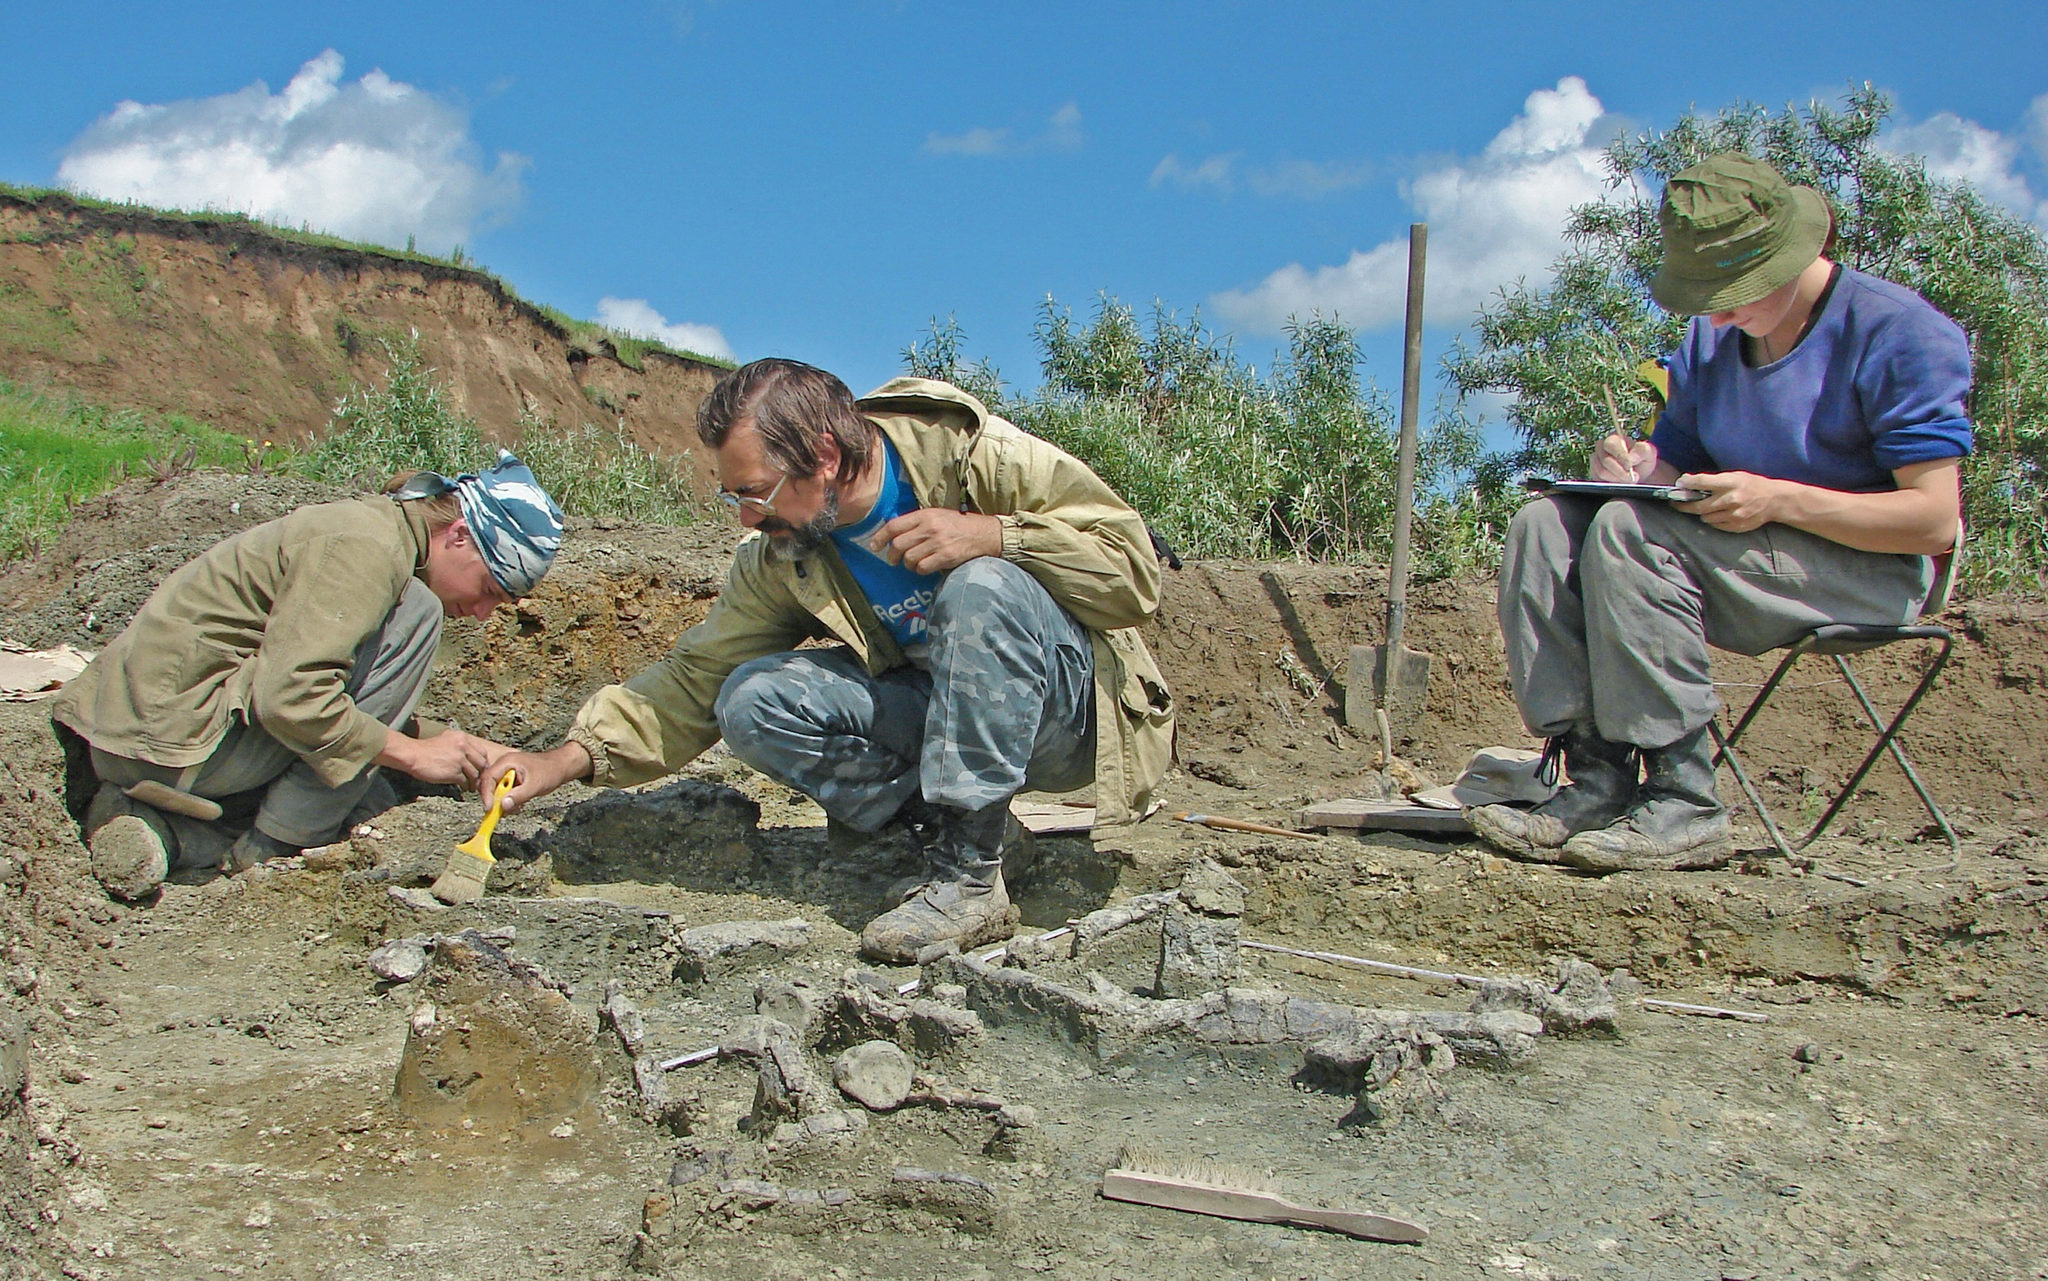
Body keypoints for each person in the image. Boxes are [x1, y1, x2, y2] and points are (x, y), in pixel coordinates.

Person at [485, 359, 1175, 962]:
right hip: (941, 717)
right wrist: (566, 759)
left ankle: (969, 883)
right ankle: (969, 837)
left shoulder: (969, 454)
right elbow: (695, 676)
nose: (746, 519)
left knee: (980, 586)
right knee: (751, 697)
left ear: (822, 454)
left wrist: (995, 535)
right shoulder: (787, 552)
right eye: (734, 497)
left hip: (1071, 714)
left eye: (754, 493)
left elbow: (1134, 569)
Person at [1470, 152, 1972, 872]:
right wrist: (1631, 466)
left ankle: (1684, 798)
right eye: (1707, 294)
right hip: (1736, 554)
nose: (1719, 311)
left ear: (1794, 255)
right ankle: (1597, 779)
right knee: (1546, 524)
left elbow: (1932, 521)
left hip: (1868, 571)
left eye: (1735, 291)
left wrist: (1779, 499)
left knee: (1629, 533)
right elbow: (1671, 466)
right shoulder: (1713, 340)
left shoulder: (1899, 334)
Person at [53, 452, 565, 900]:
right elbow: (290, 695)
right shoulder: (367, 550)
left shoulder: (374, 531)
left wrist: (462, 746)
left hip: (146, 739)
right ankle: (274, 848)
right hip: (174, 744)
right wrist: (410, 754)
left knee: (368, 782)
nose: (481, 612)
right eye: (491, 590)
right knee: (413, 629)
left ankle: (167, 833)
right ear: (458, 535)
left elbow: (325, 693)